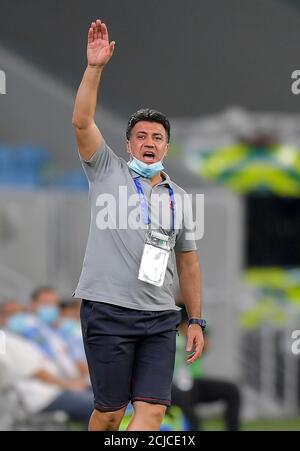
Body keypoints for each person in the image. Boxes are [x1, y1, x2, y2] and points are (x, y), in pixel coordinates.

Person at [72, 19, 205, 431]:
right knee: (111, 413)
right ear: (128, 143)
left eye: (158, 137)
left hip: (160, 316)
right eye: (141, 136)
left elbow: (188, 264)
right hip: (108, 310)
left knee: (151, 412)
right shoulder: (106, 169)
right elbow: (81, 122)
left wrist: (196, 319)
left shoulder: (179, 197)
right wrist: (94, 69)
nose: (149, 143)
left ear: (167, 146)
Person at [172, 305, 241, 431]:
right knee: (191, 415)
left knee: (232, 390)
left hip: (192, 383)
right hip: (172, 386)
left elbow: (206, 346)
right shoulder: (173, 337)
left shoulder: (191, 334)